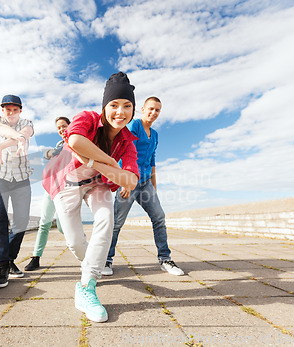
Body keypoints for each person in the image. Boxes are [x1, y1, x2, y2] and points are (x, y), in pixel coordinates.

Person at [42, 72, 139, 323]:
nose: (121, 112)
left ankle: (86, 287)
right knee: (75, 242)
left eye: (127, 106)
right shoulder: (87, 118)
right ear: (104, 107)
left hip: (98, 184)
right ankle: (92, 265)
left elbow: (132, 180)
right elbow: (75, 140)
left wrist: (98, 164)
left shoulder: (128, 141)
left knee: (106, 218)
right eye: (114, 105)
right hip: (67, 182)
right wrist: (112, 164)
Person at [101, 96, 184, 277]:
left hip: (146, 183)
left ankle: (165, 258)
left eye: (157, 110)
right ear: (143, 109)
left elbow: (152, 161)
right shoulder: (135, 126)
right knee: (116, 223)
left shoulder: (154, 135)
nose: (154, 113)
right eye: (151, 109)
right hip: (129, 182)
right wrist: (125, 182)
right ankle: (106, 260)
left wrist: (154, 186)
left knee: (159, 217)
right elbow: (125, 152)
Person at [0, 94, 34, 289]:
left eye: (15, 109)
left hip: (21, 177)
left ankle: (10, 258)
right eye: (7, 109)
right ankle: (2, 265)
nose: (11, 113)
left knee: (21, 221)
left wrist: (11, 141)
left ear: (20, 110)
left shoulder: (27, 122)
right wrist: (16, 137)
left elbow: (26, 133)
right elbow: (1, 129)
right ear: (2, 110)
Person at [24, 116, 70, 271]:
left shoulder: (76, 142)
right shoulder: (59, 144)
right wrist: (50, 152)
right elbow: (47, 155)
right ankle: (35, 257)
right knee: (44, 223)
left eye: (64, 126)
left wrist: (53, 152)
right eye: (59, 127)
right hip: (51, 188)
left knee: (64, 228)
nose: (61, 129)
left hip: (66, 190)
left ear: (70, 126)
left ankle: (85, 250)